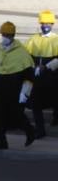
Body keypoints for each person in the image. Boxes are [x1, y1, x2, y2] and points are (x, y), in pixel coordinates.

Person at [0, 20, 37, 150]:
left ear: (13, 36)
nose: (5, 37)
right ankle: (1, 142)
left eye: (7, 35)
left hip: (13, 90)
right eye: (3, 34)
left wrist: (24, 93)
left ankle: (30, 131)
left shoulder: (22, 53)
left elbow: (29, 76)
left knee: (16, 116)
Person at [24, 10, 58, 138]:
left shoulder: (56, 39)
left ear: (52, 24)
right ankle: (40, 130)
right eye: (43, 23)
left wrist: (47, 67)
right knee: (36, 104)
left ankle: (56, 118)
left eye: (48, 23)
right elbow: (27, 56)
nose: (45, 25)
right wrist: (33, 67)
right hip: (36, 77)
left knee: (55, 100)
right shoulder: (33, 39)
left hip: (52, 77)